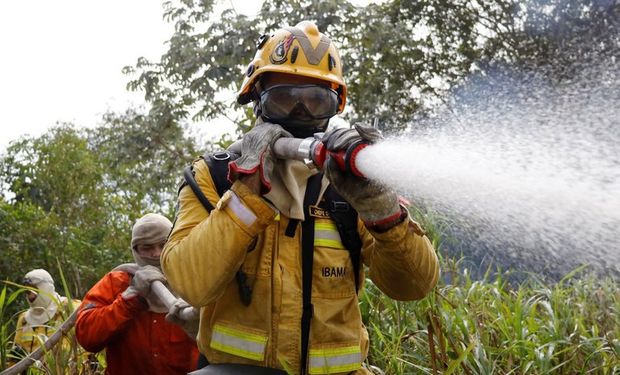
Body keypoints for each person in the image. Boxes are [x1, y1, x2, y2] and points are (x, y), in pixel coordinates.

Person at [162, 21, 439, 375]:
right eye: (284, 99)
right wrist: (245, 195)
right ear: (256, 100)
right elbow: (190, 283)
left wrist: (381, 209)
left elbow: (415, 285)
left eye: (315, 101)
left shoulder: (347, 186)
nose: (300, 113)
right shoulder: (215, 177)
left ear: (334, 106)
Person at [75, 213, 199, 375]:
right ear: (135, 250)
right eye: (147, 248)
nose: (156, 254)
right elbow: (87, 337)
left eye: (163, 245)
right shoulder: (116, 282)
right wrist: (130, 297)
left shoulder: (196, 283)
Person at [9, 269, 82, 366]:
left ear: (45, 288)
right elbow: (13, 360)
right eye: (26, 292)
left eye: (32, 291)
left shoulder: (70, 308)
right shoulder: (24, 319)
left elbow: (85, 348)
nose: (29, 297)